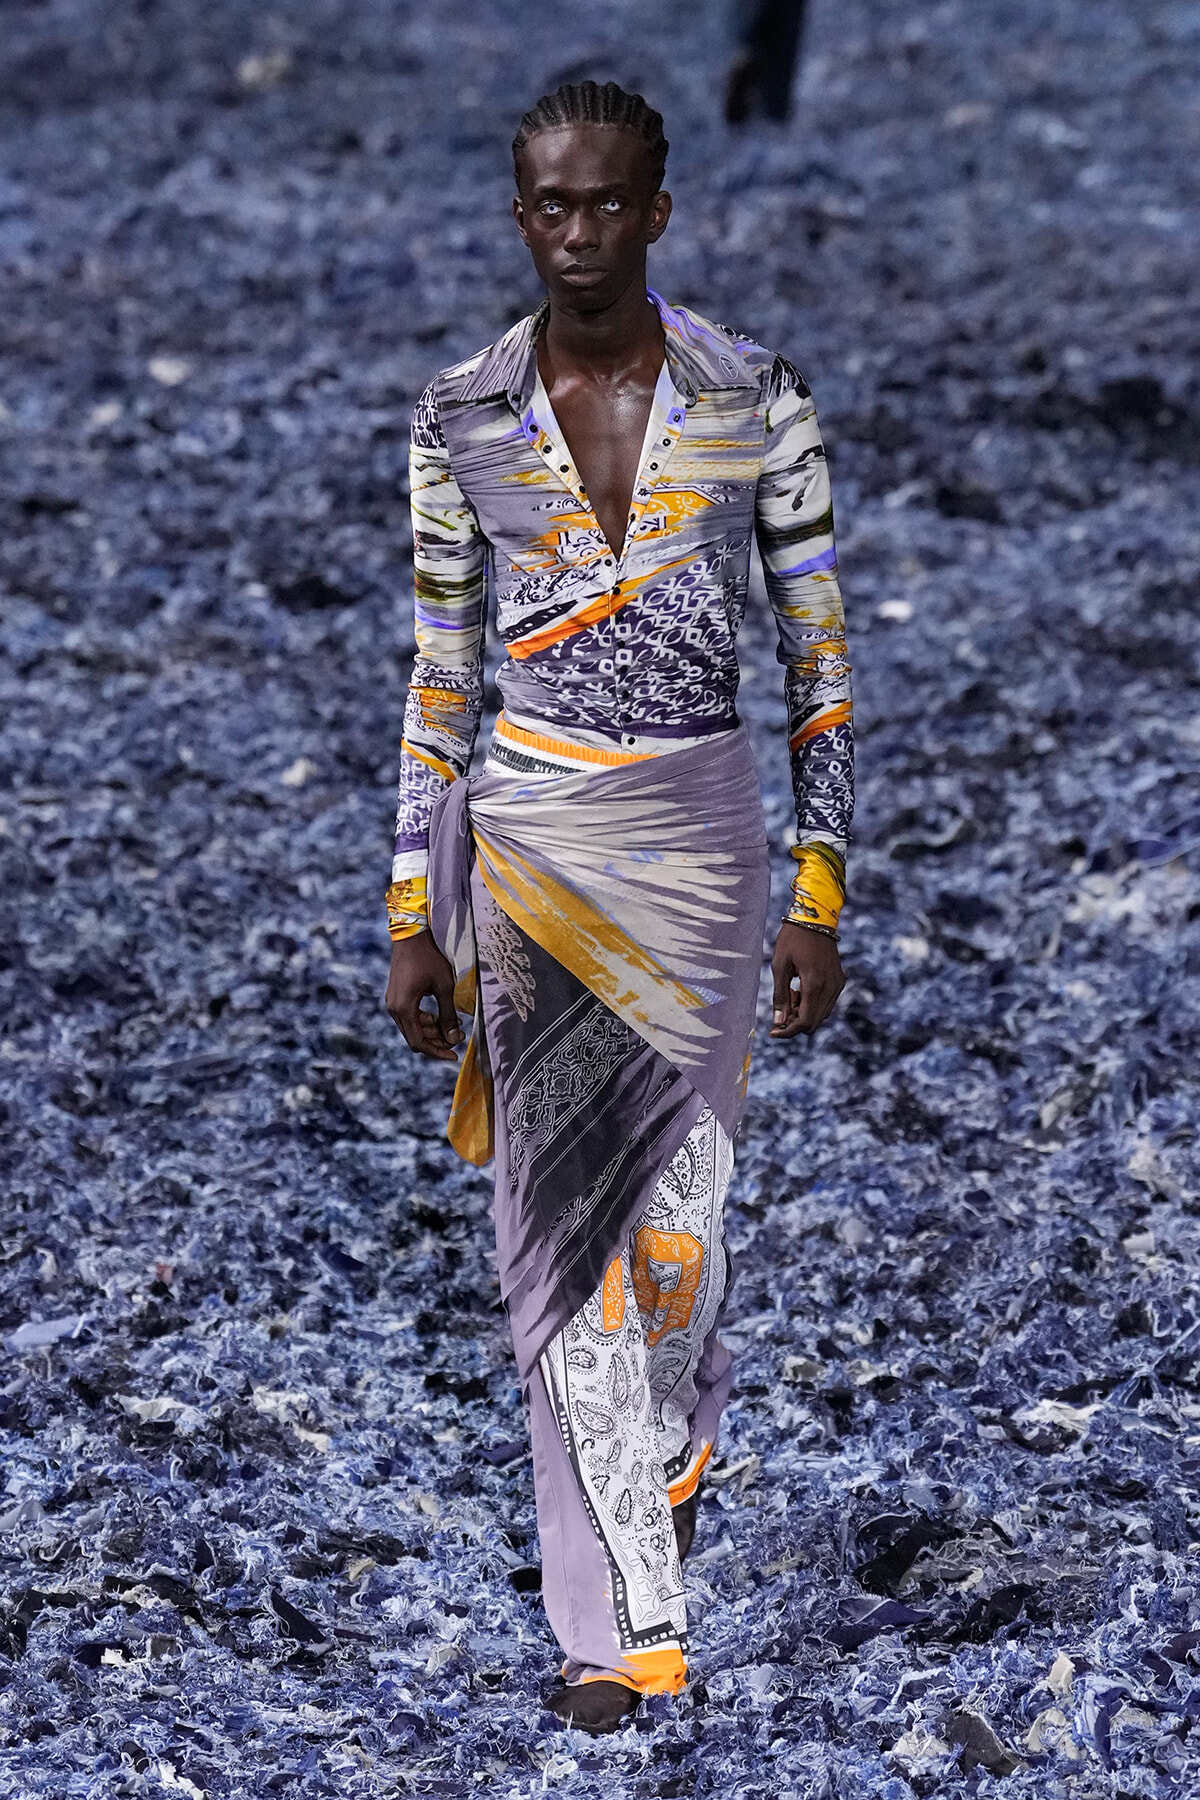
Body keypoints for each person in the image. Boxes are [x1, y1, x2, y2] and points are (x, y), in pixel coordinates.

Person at [384, 80, 852, 1734]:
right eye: (549, 207)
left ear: (660, 208)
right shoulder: (459, 414)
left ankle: (674, 1426)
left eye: (608, 204)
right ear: (521, 214)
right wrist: (402, 908)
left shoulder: (754, 396)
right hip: (524, 837)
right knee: (553, 1240)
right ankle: (621, 1630)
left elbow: (817, 660)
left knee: (683, 1227)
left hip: (707, 844)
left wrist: (822, 883)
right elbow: (442, 668)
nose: (577, 233)